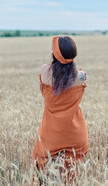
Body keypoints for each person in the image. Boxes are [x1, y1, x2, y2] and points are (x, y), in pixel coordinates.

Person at [31, 36, 89, 174]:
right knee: (71, 178)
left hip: (50, 136)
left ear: (54, 54)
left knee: (40, 173)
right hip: (76, 135)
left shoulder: (45, 71)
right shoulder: (81, 76)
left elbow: (43, 93)